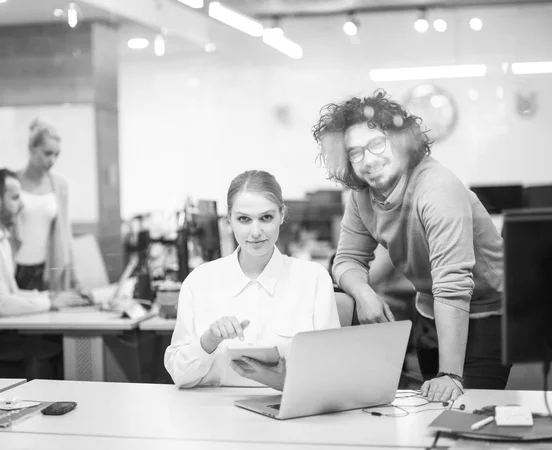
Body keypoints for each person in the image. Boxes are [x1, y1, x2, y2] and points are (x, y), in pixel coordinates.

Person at [312, 89, 509, 402]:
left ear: (401, 141)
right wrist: (364, 295)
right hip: (432, 309)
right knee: (433, 409)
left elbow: (453, 284)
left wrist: (450, 374)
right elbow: (347, 259)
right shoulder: (361, 196)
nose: (368, 160)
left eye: (376, 144)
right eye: (355, 152)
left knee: (467, 409)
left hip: (488, 313)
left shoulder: (437, 188)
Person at [164, 170, 340, 389]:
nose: (255, 232)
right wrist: (208, 340)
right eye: (244, 219)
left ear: (282, 215)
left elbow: (331, 372)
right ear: (229, 220)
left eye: (266, 217)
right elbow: (179, 376)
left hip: (289, 410)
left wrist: (283, 380)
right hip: (215, 415)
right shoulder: (199, 282)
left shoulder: (313, 279)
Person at [0, 169, 87, 377]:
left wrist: (51, 297)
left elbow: (12, 293)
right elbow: (2, 305)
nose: (22, 206)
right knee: (51, 352)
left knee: (53, 345)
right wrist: (50, 303)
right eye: (15, 198)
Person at [14, 118, 82, 294]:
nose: (52, 160)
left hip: (44, 269)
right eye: (47, 153)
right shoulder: (12, 183)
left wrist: (75, 277)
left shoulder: (59, 186)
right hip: (13, 268)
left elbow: (65, 234)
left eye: (56, 155)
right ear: (31, 148)